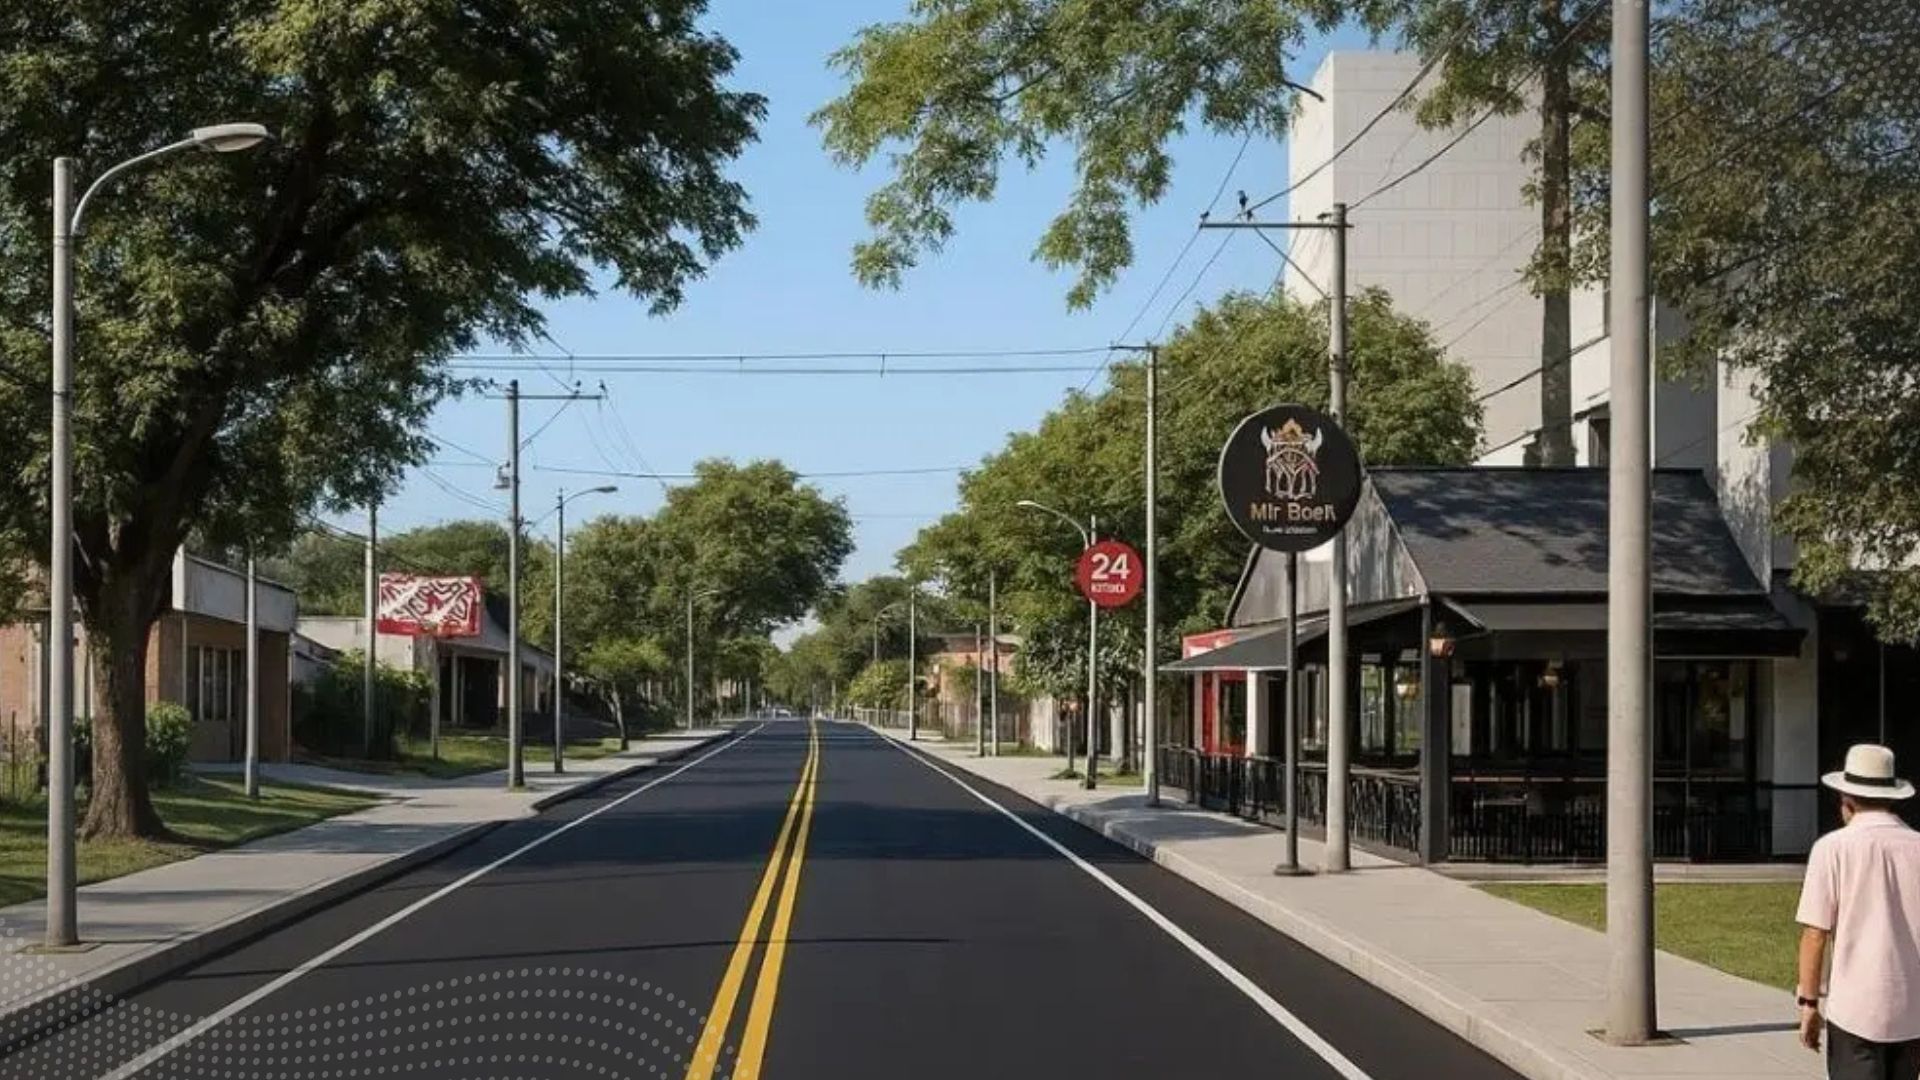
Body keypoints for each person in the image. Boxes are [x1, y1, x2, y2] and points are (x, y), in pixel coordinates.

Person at [1796, 743, 1920, 1080]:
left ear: (1846, 800)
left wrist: (1809, 1004)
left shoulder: (1832, 849)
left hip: (1855, 1008)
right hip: (1911, 1010)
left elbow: (1815, 934)